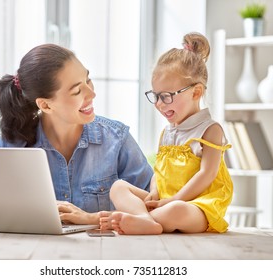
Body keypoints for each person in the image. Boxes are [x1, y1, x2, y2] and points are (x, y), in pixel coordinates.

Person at [0, 44, 153, 226]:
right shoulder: (10, 149)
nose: (92, 93)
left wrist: (92, 218)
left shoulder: (117, 140)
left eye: (88, 80)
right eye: (77, 91)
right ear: (45, 105)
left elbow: (153, 207)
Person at [99, 32, 233, 235]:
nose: (159, 104)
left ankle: (145, 220)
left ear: (195, 93)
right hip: (166, 200)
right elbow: (159, 172)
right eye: (156, 96)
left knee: (176, 210)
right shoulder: (167, 132)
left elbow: (207, 174)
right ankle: (146, 220)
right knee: (118, 187)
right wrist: (154, 192)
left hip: (198, 207)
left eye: (166, 96)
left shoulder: (210, 130)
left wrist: (175, 199)